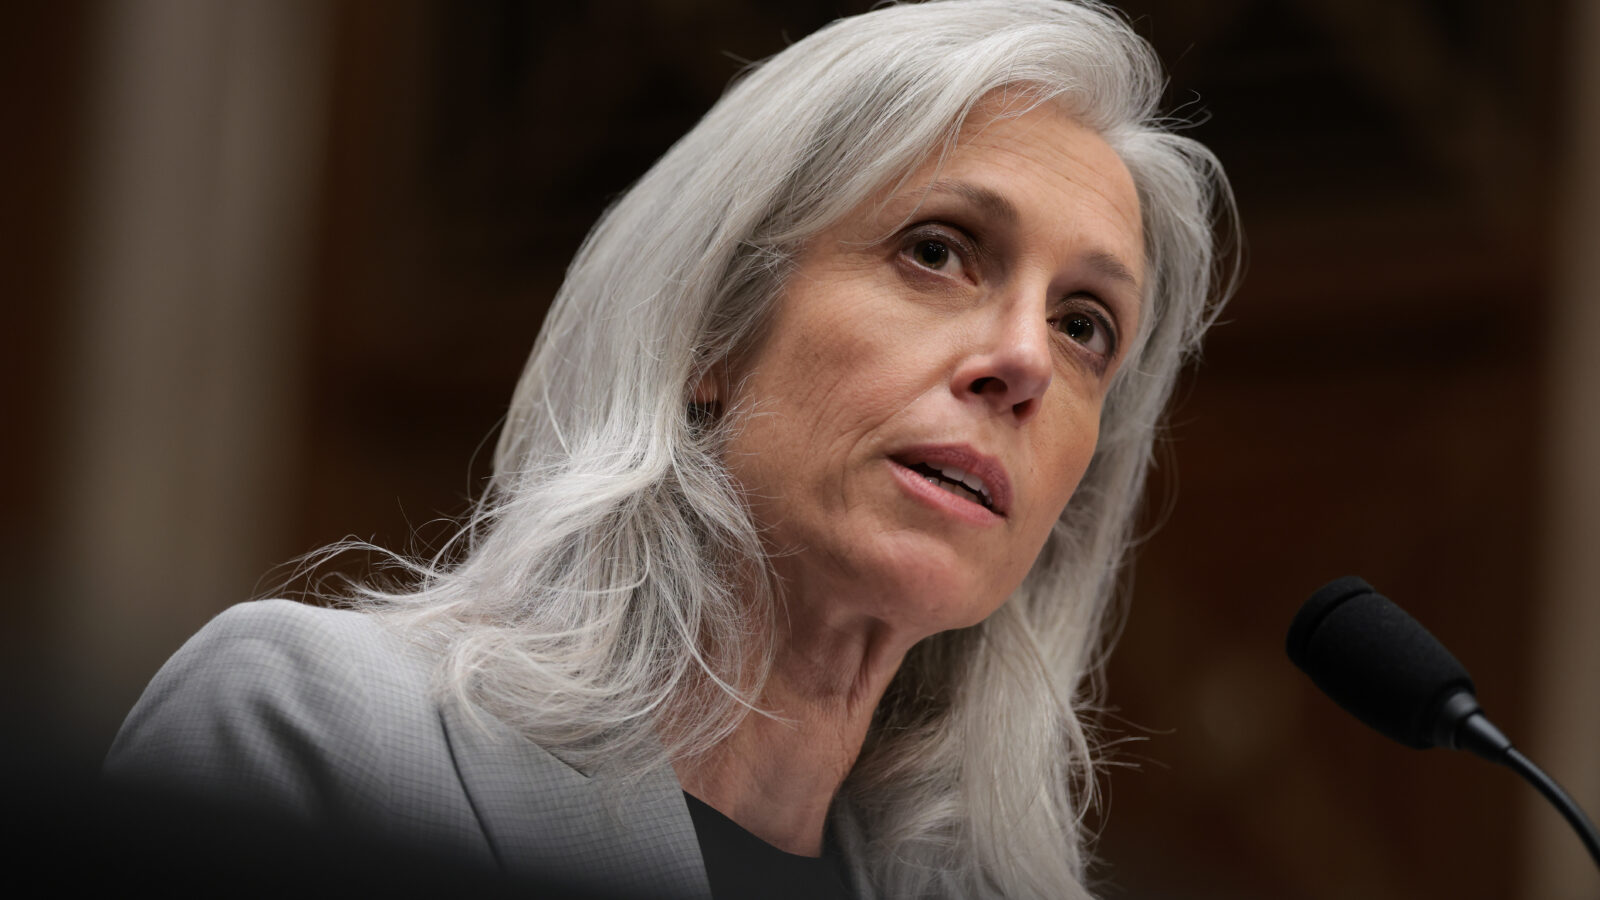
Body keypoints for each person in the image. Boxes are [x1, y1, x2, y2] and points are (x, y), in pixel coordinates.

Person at [106, 1, 1233, 897]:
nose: (1024, 360)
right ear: (710, 331)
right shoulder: (320, 738)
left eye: (1085, 325)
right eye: (938, 251)